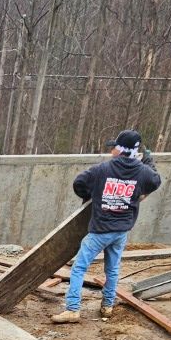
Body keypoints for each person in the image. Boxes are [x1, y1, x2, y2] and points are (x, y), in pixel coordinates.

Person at [52, 129, 161, 325]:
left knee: (78, 268)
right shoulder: (142, 172)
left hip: (100, 229)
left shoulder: (102, 170)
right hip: (121, 231)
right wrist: (147, 162)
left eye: (114, 147)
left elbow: (79, 182)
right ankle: (107, 305)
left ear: (119, 149)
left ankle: (73, 309)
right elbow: (155, 181)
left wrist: (90, 195)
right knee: (112, 269)